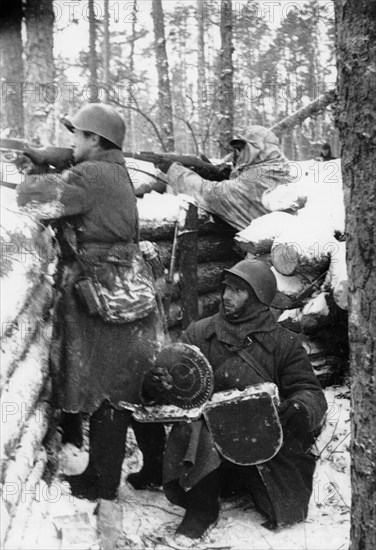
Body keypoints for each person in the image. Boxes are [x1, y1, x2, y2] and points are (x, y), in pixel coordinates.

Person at [17, 103, 166, 501]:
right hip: (125, 287)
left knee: (107, 391)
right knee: (134, 383)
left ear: (95, 140)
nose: (72, 142)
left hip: (101, 293)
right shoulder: (114, 171)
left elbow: (33, 202)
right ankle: (154, 469)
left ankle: (101, 482)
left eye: (77, 136)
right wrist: (59, 161)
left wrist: (37, 167)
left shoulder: (93, 173)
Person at [144, 259, 327, 547]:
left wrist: (300, 408)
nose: (227, 296)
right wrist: (159, 385)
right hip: (209, 454)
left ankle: (252, 488)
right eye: (226, 288)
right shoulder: (200, 333)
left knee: (287, 508)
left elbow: (310, 392)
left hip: (262, 449)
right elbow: (178, 388)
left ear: (257, 299)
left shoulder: (284, 343)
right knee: (198, 423)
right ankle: (201, 509)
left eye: (238, 291)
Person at [155, 126, 295, 231]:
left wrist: (173, 170)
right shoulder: (279, 171)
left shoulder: (254, 181)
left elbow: (209, 194)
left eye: (242, 149)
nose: (238, 155)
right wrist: (225, 175)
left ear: (257, 149)